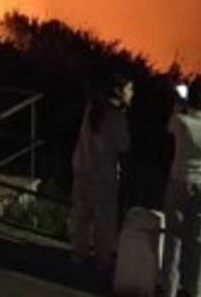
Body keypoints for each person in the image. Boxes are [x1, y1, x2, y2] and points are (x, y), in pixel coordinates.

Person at [161, 75, 201, 297]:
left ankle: (168, 289)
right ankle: (195, 291)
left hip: (179, 181)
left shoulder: (180, 121)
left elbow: (171, 125)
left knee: (174, 238)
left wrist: (181, 100)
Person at [70, 72, 134, 274]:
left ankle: (79, 254)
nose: (133, 93)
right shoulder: (117, 117)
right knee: (104, 220)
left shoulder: (92, 108)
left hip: (82, 168)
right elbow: (124, 145)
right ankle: (102, 261)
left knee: (82, 215)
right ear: (119, 91)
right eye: (130, 89)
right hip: (104, 176)